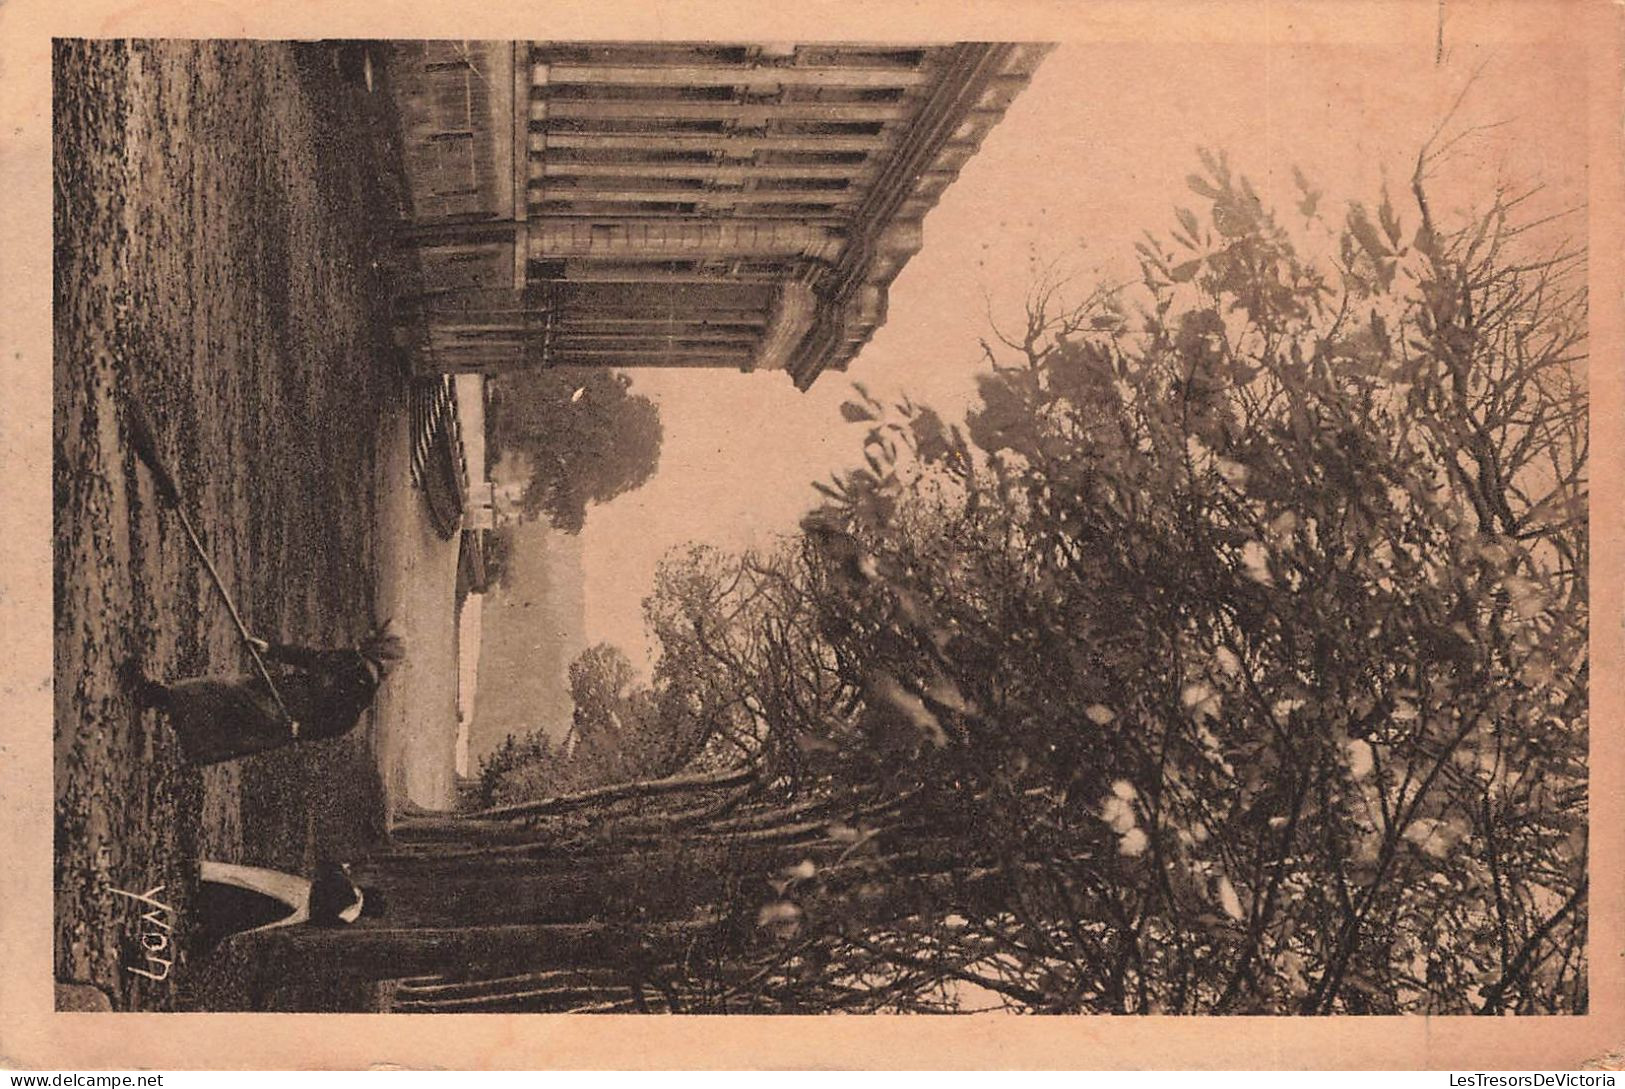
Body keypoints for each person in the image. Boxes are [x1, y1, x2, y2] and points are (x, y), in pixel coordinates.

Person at [124, 625, 405, 765]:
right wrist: (270, 649)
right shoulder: (353, 662)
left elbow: (338, 723)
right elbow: (312, 658)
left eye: (377, 635)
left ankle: (154, 698)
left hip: (281, 713)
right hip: (279, 699)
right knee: (224, 710)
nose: (370, 633)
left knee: (221, 691)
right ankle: (165, 723)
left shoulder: (360, 683)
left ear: (381, 650)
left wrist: (300, 729)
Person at [193, 859, 386, 951]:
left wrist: (341, 868)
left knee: (254, 885)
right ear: (368, 914)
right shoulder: (349, 917)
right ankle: (210, 921)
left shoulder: (348, 887)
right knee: (255, 916)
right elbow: (321, 924)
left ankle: (208, 888)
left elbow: (326, 869)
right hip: (301, 914)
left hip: (298, 890)